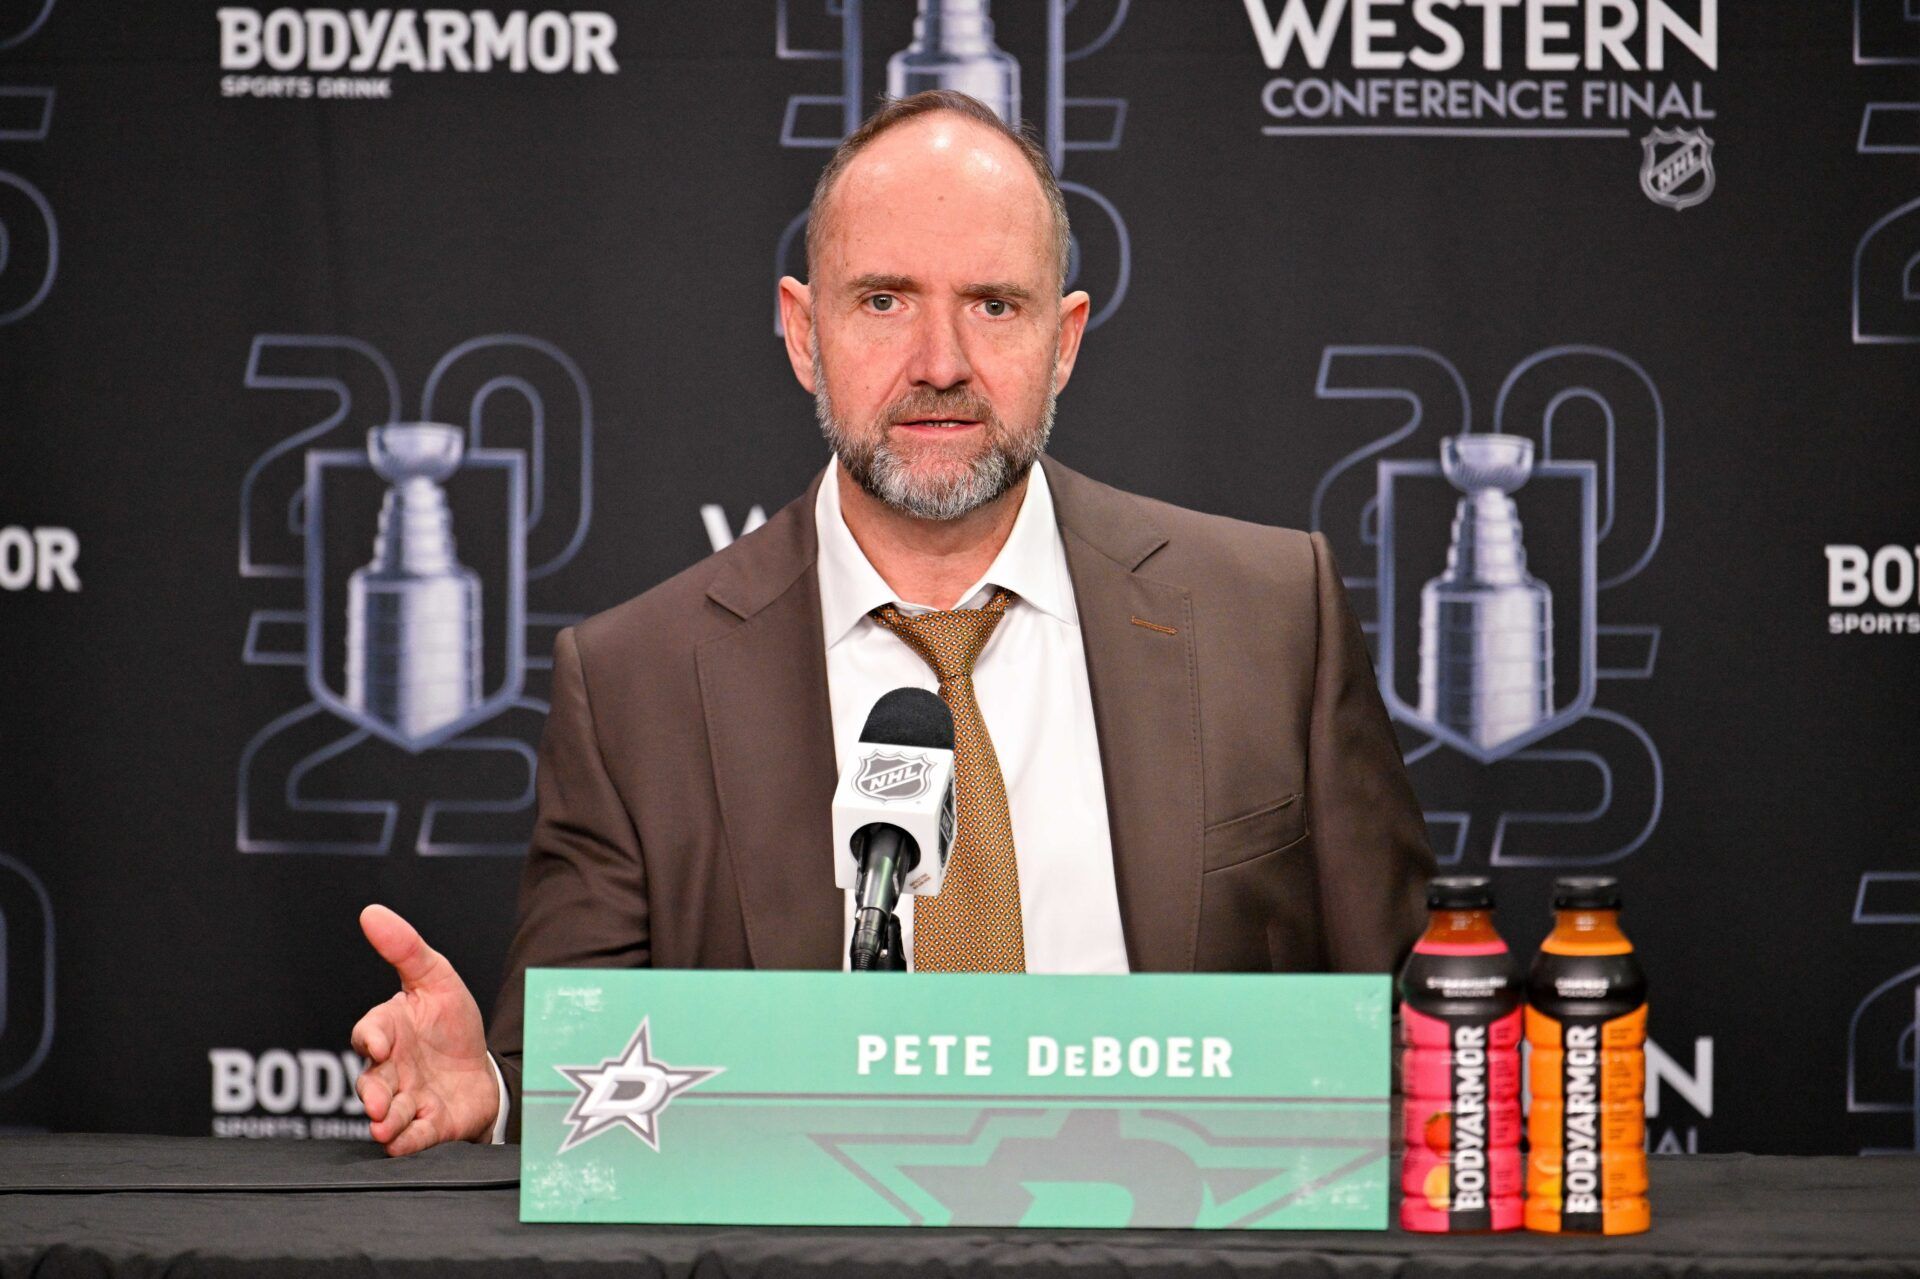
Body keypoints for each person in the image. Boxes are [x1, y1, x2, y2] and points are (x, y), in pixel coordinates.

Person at [349, 90, 1434, 1156]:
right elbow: (590, 1075)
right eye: (882, 301)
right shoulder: (638, 682)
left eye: (994, 305)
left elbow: (1412, 1028)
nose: (941, 362)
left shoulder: (1269, 615)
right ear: (802, 332)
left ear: (1063, 341)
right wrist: (490, 1087)